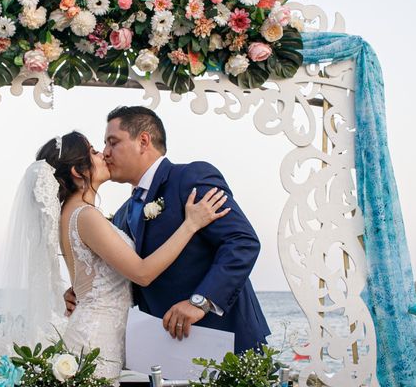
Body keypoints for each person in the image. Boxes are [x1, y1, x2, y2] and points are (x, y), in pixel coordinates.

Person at [65, 106, 270, 354]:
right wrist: (83, 290)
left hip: (225, 338)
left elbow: (242, 241)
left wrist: (202, 301)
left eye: (113, 142)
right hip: (167, 347)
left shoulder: (191, 178)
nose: (106, 153)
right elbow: (128, 275)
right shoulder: (121, 215)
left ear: (143, 141)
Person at [34, 131, 229, 384]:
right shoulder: (85, 216)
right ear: (76, 171)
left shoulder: (73, 215)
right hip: (97, 338)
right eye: (93, 151)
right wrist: (191, 225)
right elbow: (142, 273)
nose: (103, 154)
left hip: (95, 331)